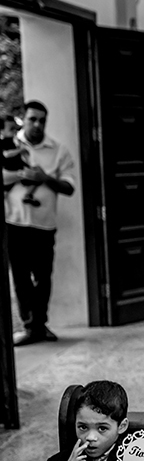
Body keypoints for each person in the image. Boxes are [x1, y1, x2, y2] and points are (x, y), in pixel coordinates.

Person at [3, 100, 76, 346]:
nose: (38, 124)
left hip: (45, 225)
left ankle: (40, 325)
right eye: (33, 119)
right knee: (21, 278)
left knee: (43, 277)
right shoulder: (9, 144)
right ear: (24, 118)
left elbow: (69, 186)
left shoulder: (57, 150)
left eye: (42, 120)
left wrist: (45, 177)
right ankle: (28, 327)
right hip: (14, 223)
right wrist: (22, 175)